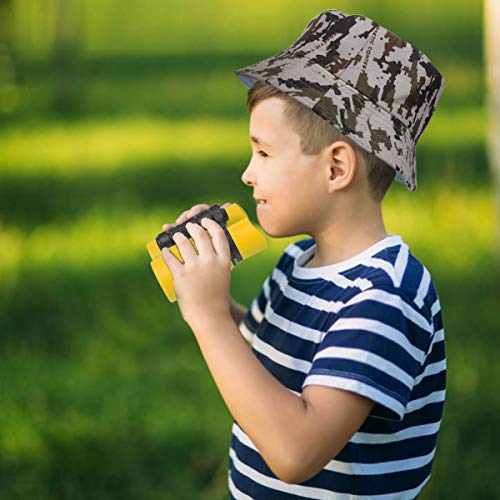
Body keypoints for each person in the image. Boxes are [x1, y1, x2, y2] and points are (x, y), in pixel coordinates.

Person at [163, 8, 446, 499]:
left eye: (264, 153)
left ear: (337, 167)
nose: (248, 174)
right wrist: (206, 280)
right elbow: (261, 359)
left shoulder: (386, 297)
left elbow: (296, 452)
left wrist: (208, 317)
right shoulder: (299, 262)